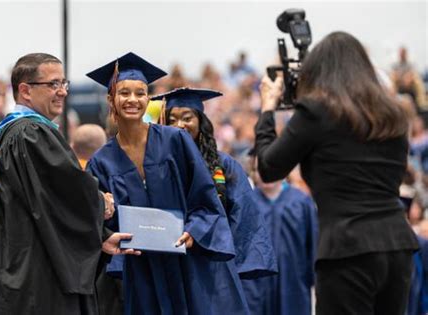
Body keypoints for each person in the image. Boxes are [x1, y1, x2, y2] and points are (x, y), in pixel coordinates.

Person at [254, 31, 419, 314]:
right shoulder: (393, 113)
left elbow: (269, 168)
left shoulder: (316, 112)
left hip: (347, 248)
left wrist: (268, 110)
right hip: (397, 244)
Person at [86, 52, 250, 314]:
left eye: (140, 93)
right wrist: (106, 228)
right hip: (141, 269)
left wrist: (194, 231)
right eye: (124, 93)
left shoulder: (175, 141)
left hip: (185, 261)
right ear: (110, 99)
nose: (132, 100)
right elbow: (100, 222)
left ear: (148, 99)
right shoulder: (101, 162)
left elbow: (204, 197)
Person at [0, 53, 137, 315]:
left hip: (16, 269)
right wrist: (100, 203)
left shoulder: (5, 134)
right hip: (38, 275)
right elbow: (68, 192)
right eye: (52, 84)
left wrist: (101, 237)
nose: (62, 91)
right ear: (25, 91)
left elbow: (46, 204)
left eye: (64, 83)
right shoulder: (31, 134)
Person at [152, 86, 277, 279]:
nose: (179, 125)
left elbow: (242, 212)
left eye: (187, 118)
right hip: (170, 259)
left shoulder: (223, 164)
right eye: (172, 120)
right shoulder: (156, 164)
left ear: (200, 122)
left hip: (213, 263)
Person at [241, 154, 318, 315]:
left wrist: (315, 280)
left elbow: (313, 246)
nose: (264, 173)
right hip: (255, 287)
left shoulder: (302, 202)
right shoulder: (246, 203)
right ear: (252, 173)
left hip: (294, 282)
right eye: (258, 169)